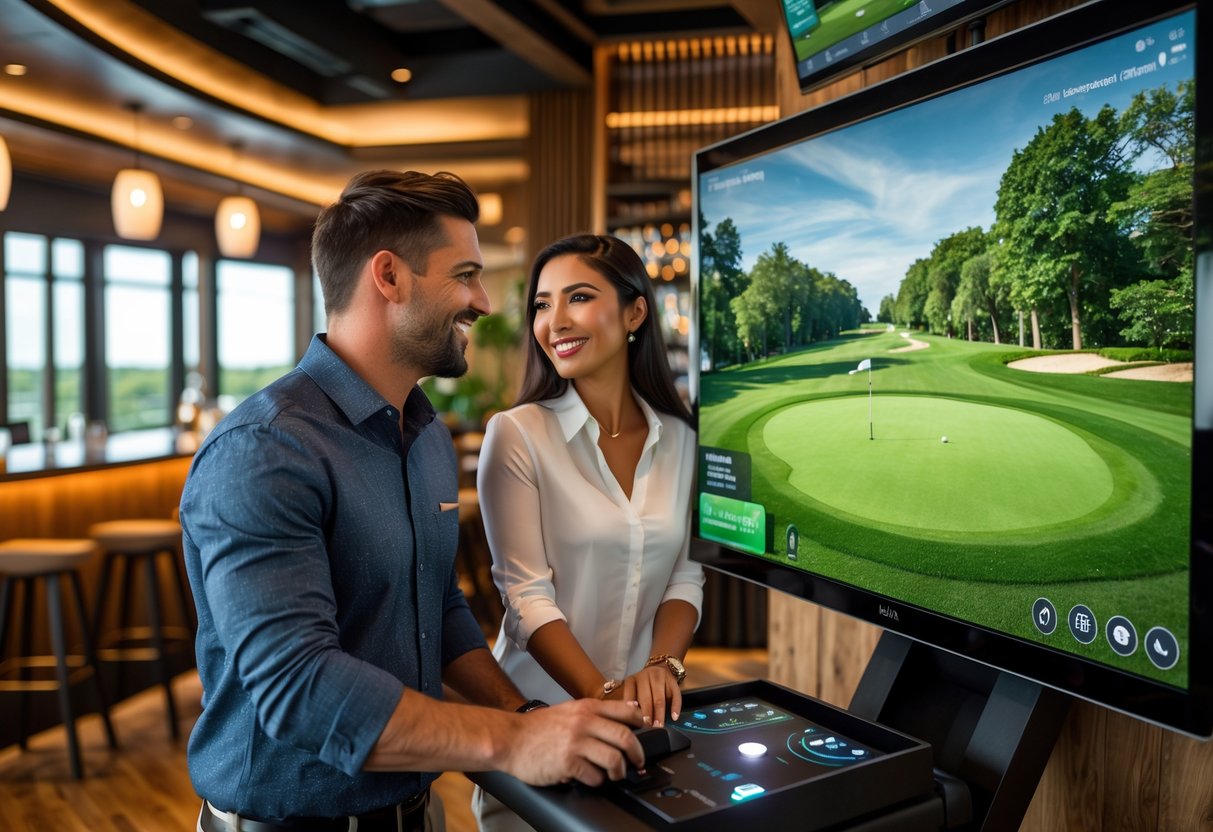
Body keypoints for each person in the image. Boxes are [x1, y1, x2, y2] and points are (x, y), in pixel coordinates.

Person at [179, 171, 645, 832]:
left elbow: (438, 606)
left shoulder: (423, 434)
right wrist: (512, 743)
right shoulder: (265, 450)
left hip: (418, 815)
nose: (483, 301)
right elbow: (299, 689)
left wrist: (522, 715)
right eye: (465, 275)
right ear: (389, 276)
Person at [472, 234, 704, 831]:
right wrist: (602, 699)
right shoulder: (516, 435)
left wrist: (664, 669)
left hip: (641, 735)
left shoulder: (684, 440)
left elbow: (686, 576)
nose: (554, 322)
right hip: (539, 734)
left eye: (577, 297)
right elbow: (526, 599)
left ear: (635, 312)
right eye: (542, 304)